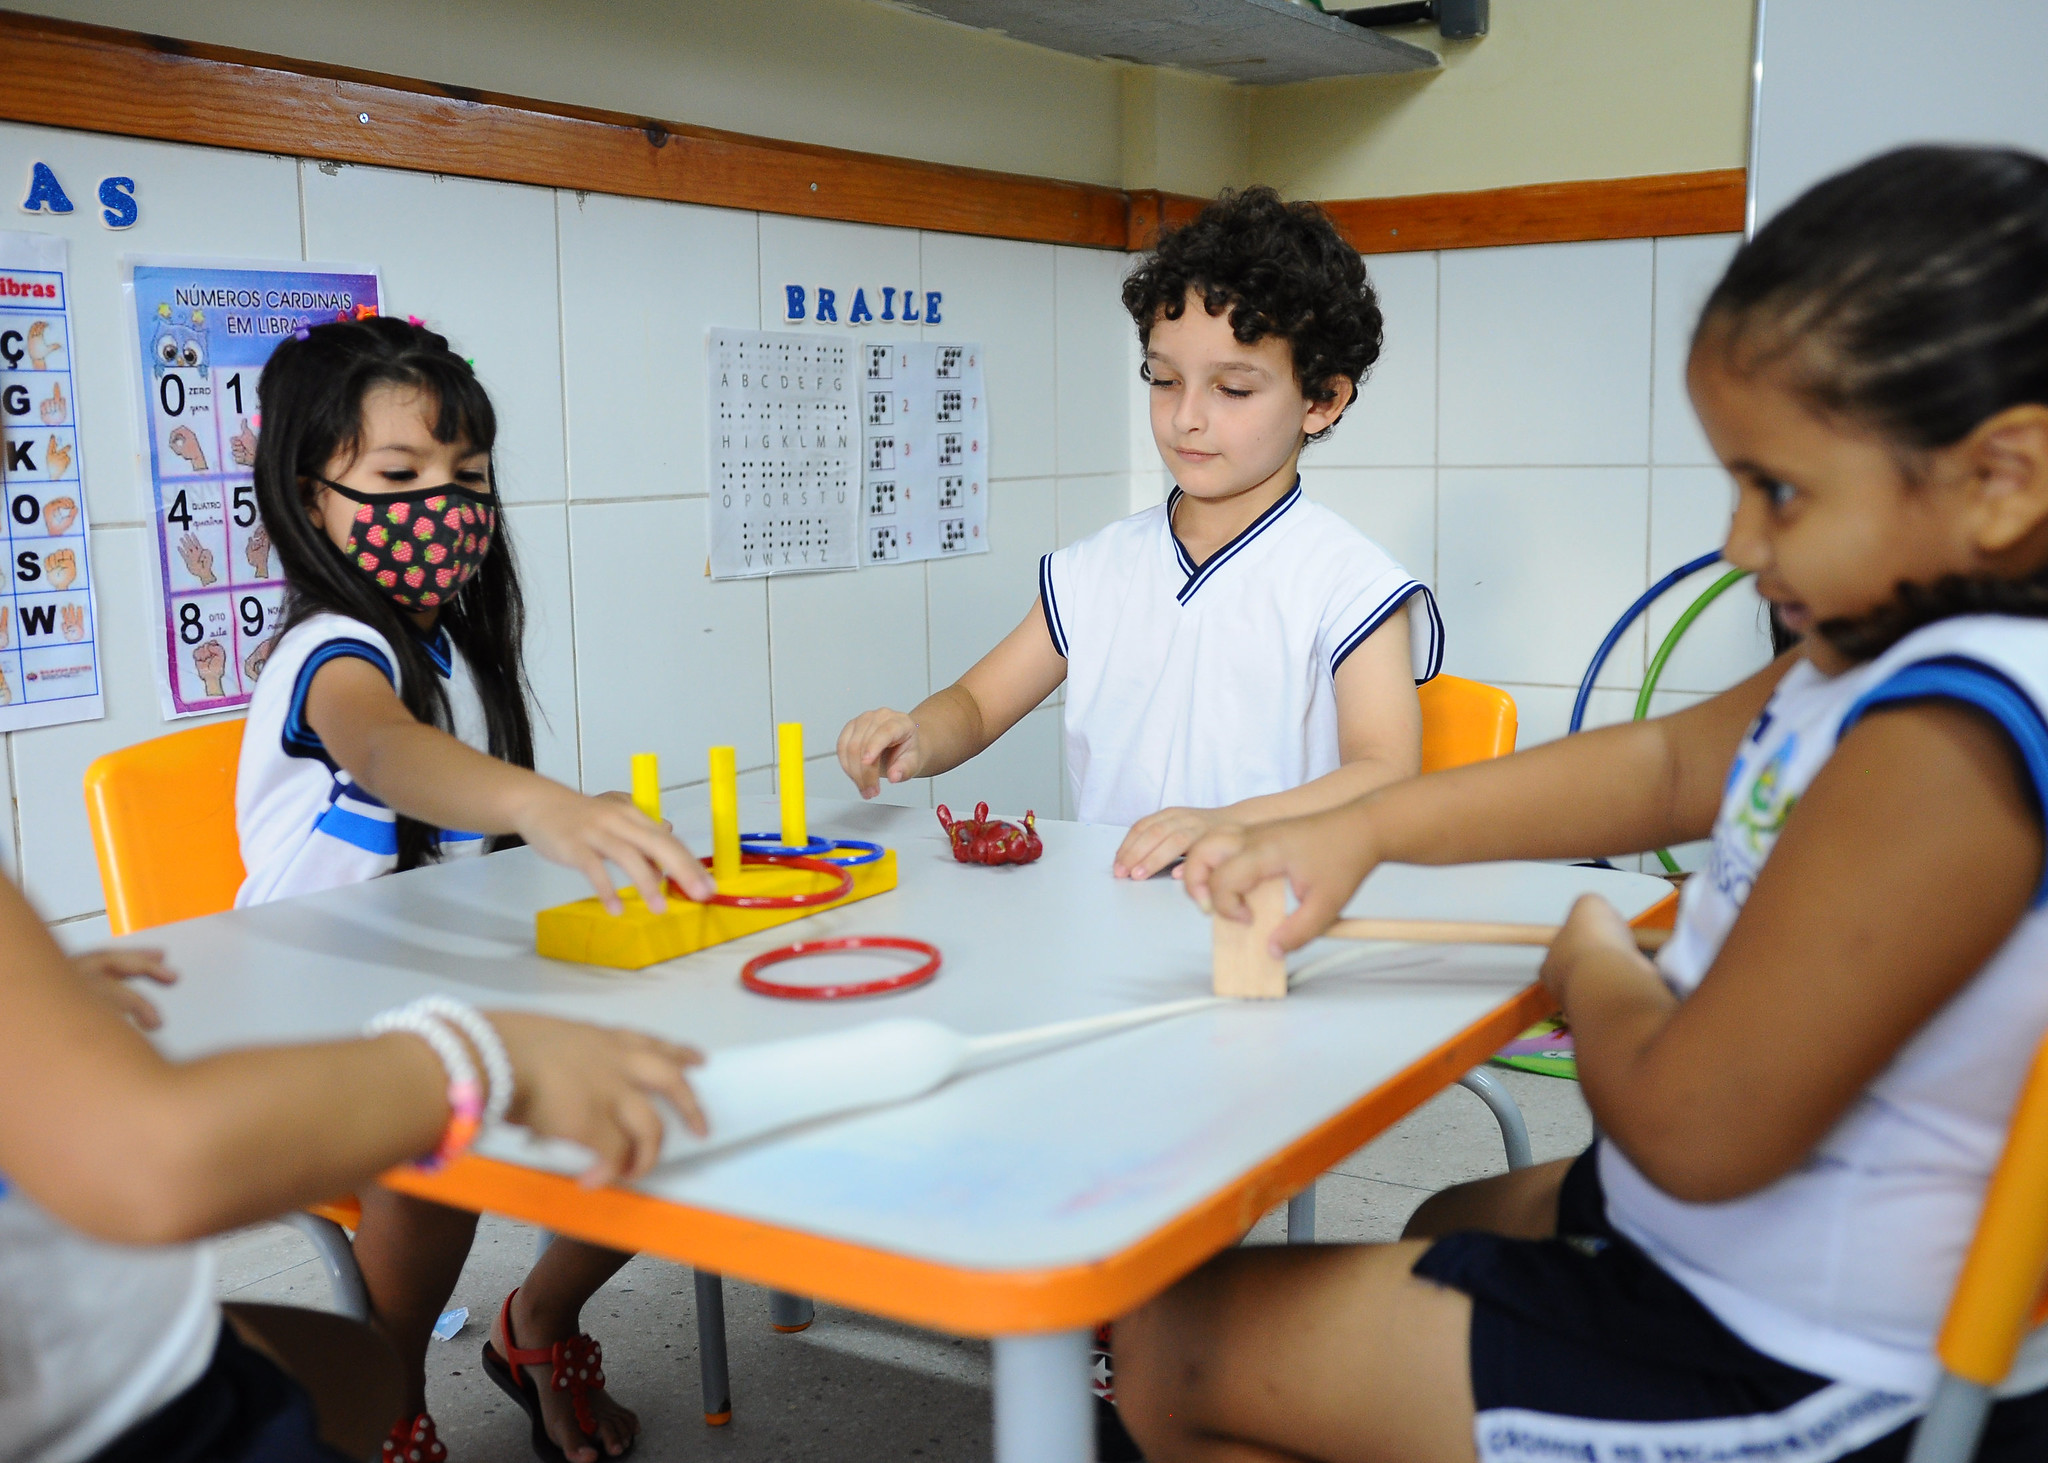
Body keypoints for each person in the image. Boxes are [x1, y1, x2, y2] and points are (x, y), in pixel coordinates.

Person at [1117, 144, 2048, 1463]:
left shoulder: (1950, 739)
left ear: (2003, 480)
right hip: (1745, 1248)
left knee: (1171, 1339)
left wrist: (1594, 961)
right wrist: (1364, 824)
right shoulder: (1871, 651)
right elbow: (1665, 764)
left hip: (1803, 1356)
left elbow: (1692, 1129)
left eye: (1775, 488)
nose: (1738, 542)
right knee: (1451, 1210)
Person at [239, 316, 716, 1463]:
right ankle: (391, 1396)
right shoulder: (334, 651)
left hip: (428, 977)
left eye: (467, 478)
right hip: (308, 1010)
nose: (443, 507)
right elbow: (389, 752)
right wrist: (542, 804)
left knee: (666, 1078)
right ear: (311, 497)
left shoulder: (446, 645)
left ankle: (537, 1320)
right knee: (434, 1117)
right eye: (399, 477)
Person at [835, 188, 1442, 880]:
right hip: (1111, 918)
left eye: (1233, 390)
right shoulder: (1098, 570)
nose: (1186, 417)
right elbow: (975, 706)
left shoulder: (1349, 583)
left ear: (1322, 398)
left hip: (1270, 919)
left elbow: (1384, 771)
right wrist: (915, 734)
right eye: (1163, 379)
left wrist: (1225, 823)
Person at [0, 877, 707, 1463]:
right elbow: (153, 1166)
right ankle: (415, 1391)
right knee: (449, 1166)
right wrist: (485, 1056)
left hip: (126, 1365)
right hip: (140, 1420)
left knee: (643, 1121)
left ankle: (531, 1328)